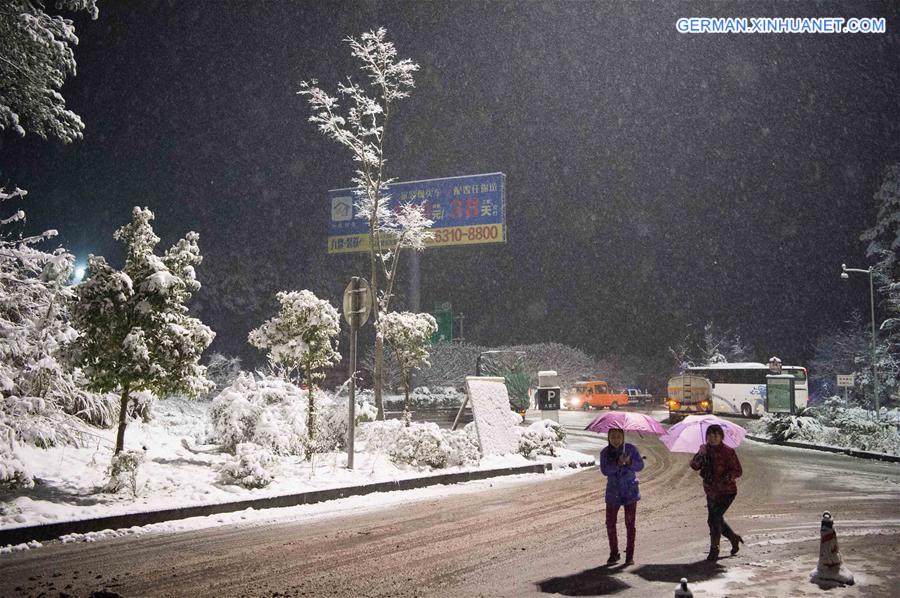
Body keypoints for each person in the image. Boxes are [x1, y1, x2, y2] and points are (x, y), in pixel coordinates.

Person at [690, 423, 744, 561]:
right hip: (711, 491)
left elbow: (738, 470)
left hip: (727, 492)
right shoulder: (704, 450)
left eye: (715, 435)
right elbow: (695, 466)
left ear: (721, 436)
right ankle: (733, 538)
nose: (712, 438)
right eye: (709, 435)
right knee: (715, 519)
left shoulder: (728, 452)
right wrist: (700, 455)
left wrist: (726, 478)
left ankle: (714, 549)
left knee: (713, 519)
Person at [599, 427, 644, 565]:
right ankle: (614, 553)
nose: (616, 440)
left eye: (619, 437)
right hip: (613, 492)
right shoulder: (605, 453)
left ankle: (629, 555)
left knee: (630, 524)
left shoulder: (630, 449)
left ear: (623, 437)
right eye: (613, 437)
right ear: (608, 438)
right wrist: (617, 463)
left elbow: (640, 466)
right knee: (610, 523)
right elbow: (605, 470)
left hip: (630, 491)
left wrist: (629, 462)